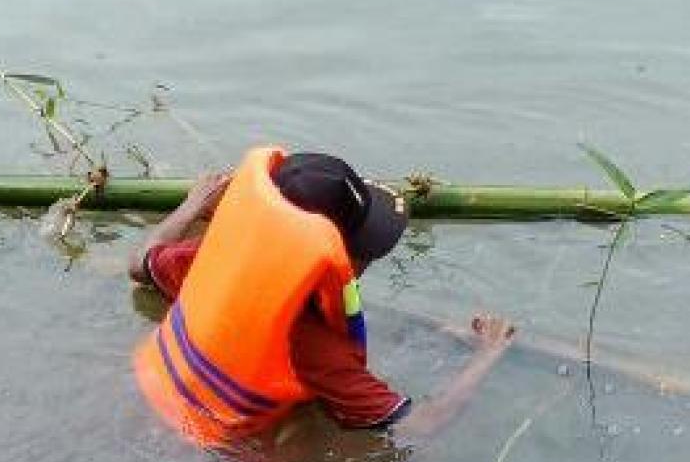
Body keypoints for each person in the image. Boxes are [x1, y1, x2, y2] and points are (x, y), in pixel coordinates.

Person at [129, 145, 514, 446]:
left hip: (151, 384)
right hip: (214, 439)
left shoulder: (211, 257)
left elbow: (139, 265)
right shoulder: (313, 344)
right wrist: (488, 354)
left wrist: (192, 205)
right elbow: (419, 427)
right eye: (359, 248)